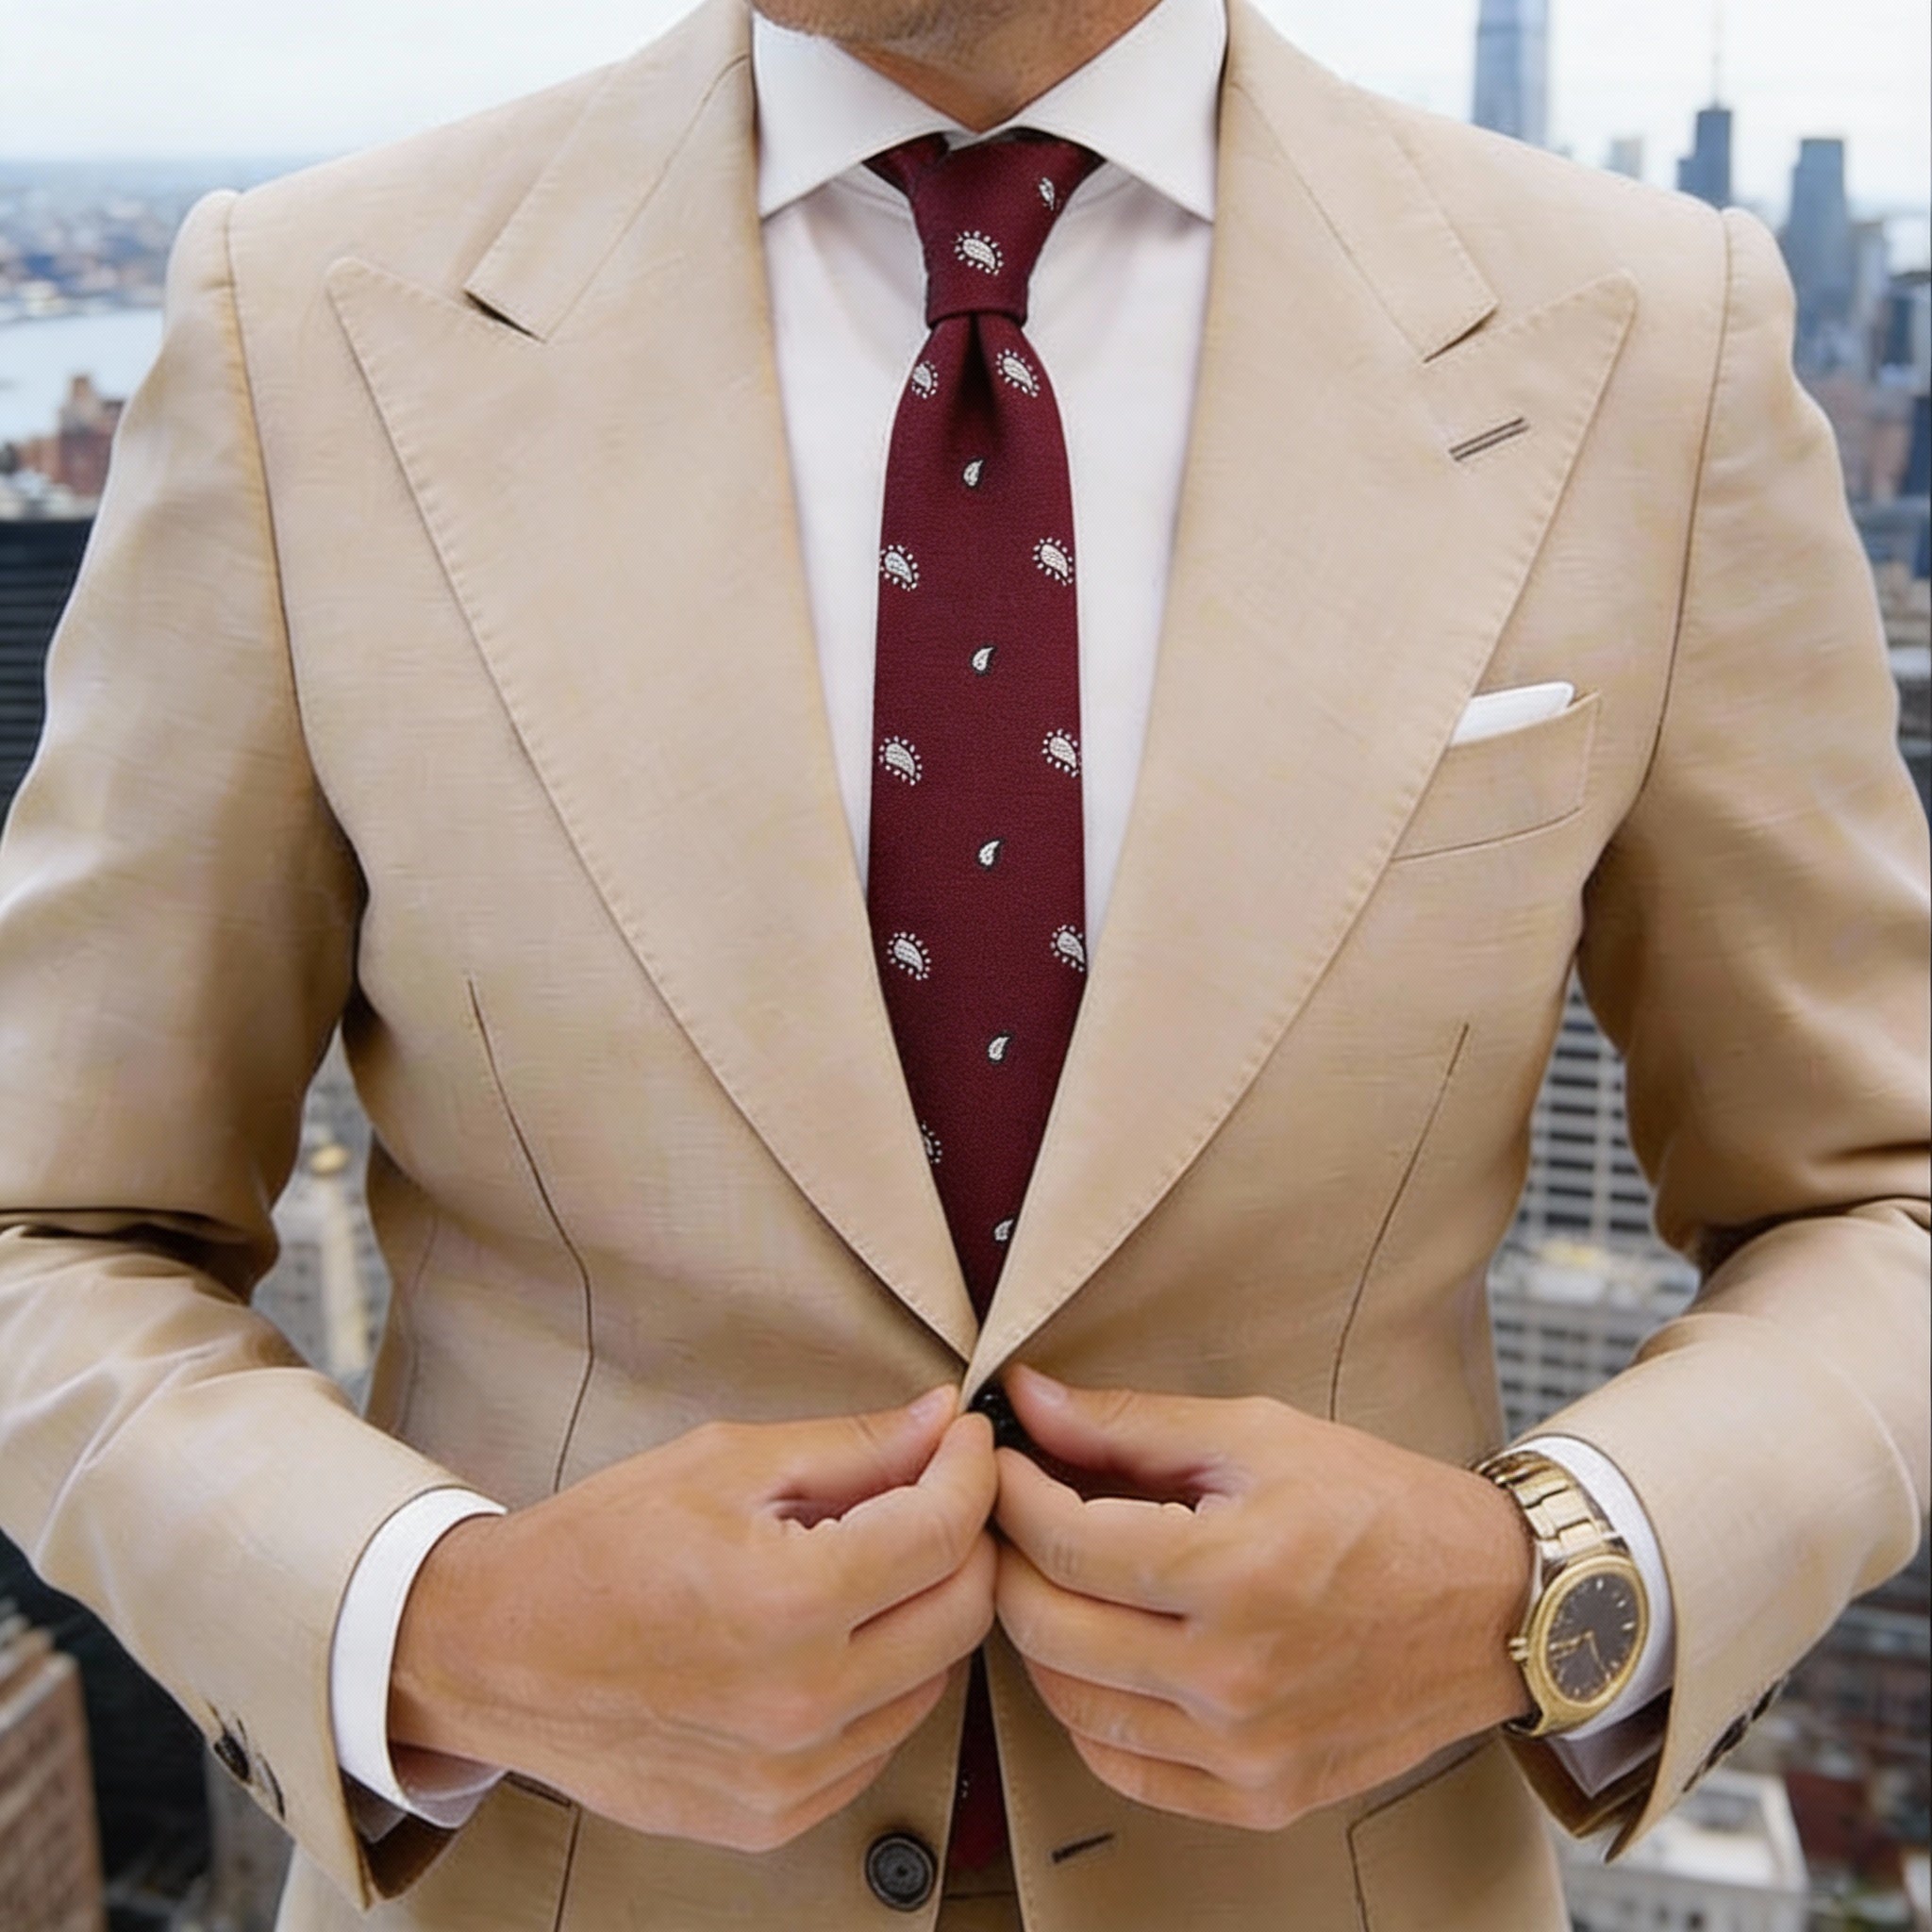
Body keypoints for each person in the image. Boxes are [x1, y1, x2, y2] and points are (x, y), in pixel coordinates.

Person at [0, 0, 1924, 1925]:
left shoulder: (1644, 335)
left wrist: (1541, 1588)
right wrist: (447, 1624)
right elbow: (50, 1232)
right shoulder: (308, 321)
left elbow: (1881, 1201)